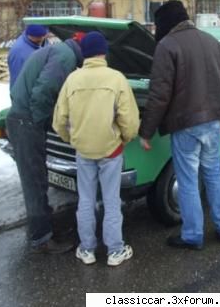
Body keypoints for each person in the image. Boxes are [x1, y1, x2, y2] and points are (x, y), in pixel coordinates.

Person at [138, 0, 220, 250]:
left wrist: (146, 131)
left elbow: (159, 95)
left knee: (188, 179)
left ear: (165, 23)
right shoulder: (211, 41)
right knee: (214, 173)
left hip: (186, 124)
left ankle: (192, 235)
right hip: (213, 120)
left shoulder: (167, 46)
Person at [53, 31, 139, 266]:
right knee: (111, 200)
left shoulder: (72, 79)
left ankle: (87, 249)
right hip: (110, 150)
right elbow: (129, 119)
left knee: (86, 200)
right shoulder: (116, 78)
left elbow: (59, 119)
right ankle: (115, 251)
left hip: (83, 150)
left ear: (84, 53)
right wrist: (125, 137)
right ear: (104, 52)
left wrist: (72, 139)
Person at [6, 35, 83, 254]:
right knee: (35, 181)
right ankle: (42, 238)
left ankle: (43, 229)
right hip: (27, 122)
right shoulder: (65, 57)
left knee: (36, 177)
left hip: (21, 117)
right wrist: (46, 123)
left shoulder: (54, 50)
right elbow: (43, 92)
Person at [7, 23, 49, 88]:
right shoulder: (18, 52)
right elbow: (18, 80)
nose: (40, 41)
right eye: (38, 40)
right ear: (30, 35)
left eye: (42, 37)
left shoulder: (44, 42)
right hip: (27, 93)